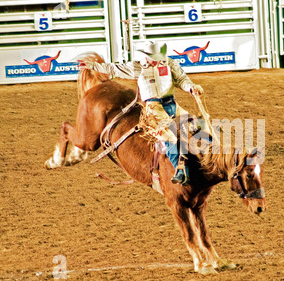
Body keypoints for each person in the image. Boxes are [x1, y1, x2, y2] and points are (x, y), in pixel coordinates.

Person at [78, 40, 204, 185]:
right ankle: (179, 170)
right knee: (168, 136)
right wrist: (93, 66)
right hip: (153, 108)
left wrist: (191, 87)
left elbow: (182, 79)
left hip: (172, 104)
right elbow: (114, 69)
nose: (157, 61)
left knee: (198, 125)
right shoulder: (138, 67)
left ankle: (210, 159)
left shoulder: (169, 63)